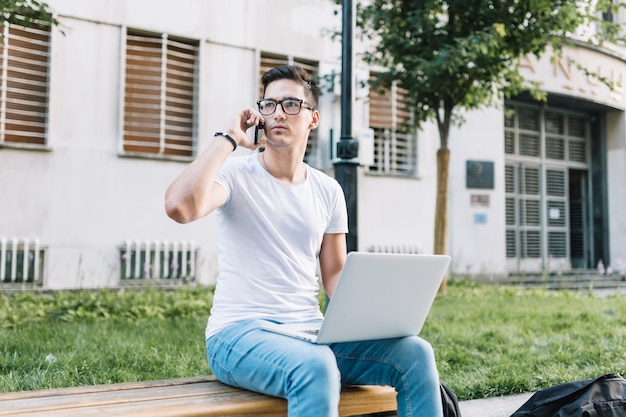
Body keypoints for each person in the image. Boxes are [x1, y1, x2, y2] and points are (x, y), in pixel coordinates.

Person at [164, 65, 443, 417]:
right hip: (238, 335)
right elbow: (179, 207)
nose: (278, 112)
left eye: (291, 104)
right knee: (317, 366)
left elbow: (336, 273)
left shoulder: (327, 190)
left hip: (312, 334)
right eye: (269, 105)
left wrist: (382, 308)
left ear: (313, 119)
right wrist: (228, 138)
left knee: (415, 354)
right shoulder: (235, 176)